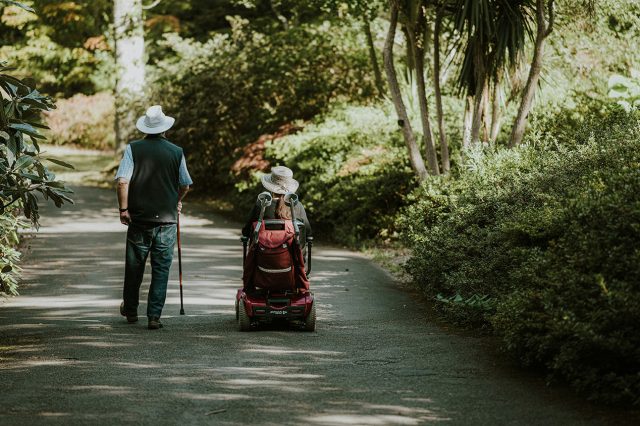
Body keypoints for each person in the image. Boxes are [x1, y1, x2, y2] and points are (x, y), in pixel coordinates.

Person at [115, 105, 193, 330]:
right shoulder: (176, 151)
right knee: (161, 269)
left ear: (145, 128)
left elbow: (122, 181)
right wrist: (175, 200)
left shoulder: (133, 149)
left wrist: (123, 209)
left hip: (139, 219)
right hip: (167, 221)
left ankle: (130, 311)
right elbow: (185, 184)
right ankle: (154, 316)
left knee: (134, 267)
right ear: (165, 128)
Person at [241, 166, 312, 243]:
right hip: (291, 252)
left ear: (271, 187)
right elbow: (308, 232)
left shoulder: (261, 204)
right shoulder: (297, 206)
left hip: (263, 252)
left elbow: (246, 231)